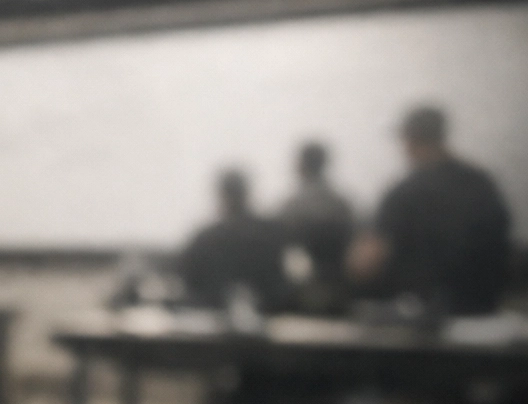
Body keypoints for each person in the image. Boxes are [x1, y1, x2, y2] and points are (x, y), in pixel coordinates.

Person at [348, 106, 512, 316]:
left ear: (408, 140)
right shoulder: (482, 184)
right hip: (483, 312)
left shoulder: (405, 192)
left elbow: (366, 263)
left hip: (421, 318)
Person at [179, 170, 288, 312]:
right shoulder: (273, 233)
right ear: (247, 194)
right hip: (269, 316)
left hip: (213, 317)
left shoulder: (205, 238)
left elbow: (189, 284)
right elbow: (283, 286)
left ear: (221, 195)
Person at [280, 142, 354, 314]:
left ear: (301, 165)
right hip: (342, 289)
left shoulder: (292, 207)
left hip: (300, 292)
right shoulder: (343, 204)